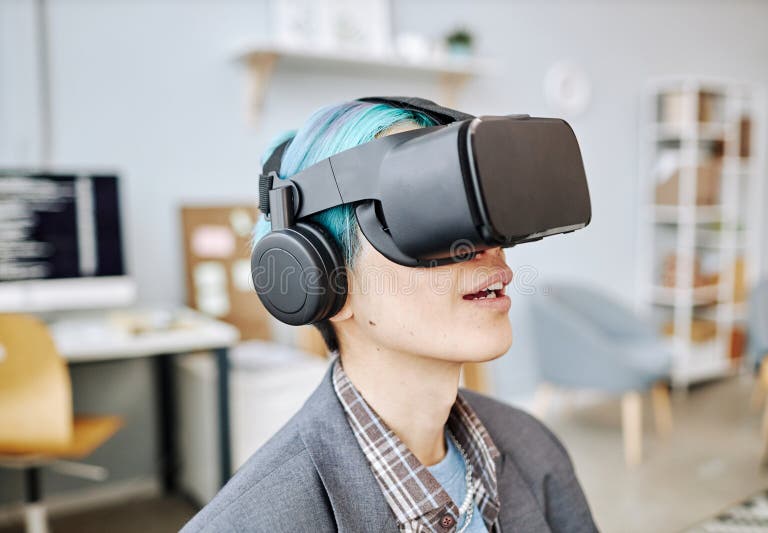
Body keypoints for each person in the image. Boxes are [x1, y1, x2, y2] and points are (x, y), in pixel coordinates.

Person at [181, 99, 597, 532]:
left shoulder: (535, 451)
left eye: (478, 212)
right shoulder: (249, 524)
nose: (487, 247)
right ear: (322, 276)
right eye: (427, 211)